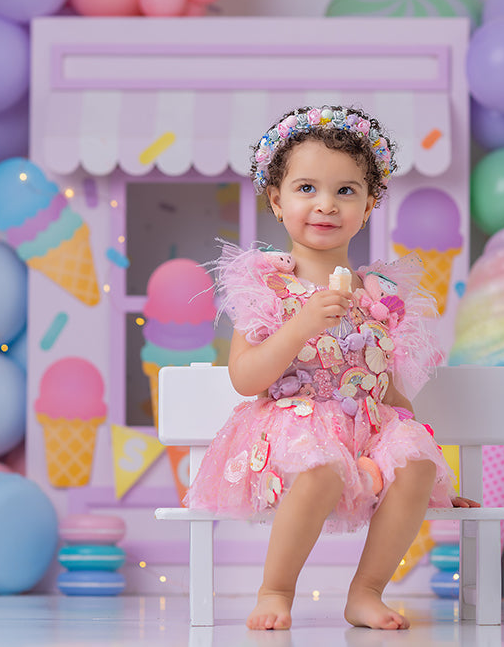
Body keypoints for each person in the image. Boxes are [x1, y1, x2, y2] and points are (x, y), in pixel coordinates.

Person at [186, 105, 478, 631]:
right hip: (290, 429)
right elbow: (246, 378)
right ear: (276, 200)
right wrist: (299, 326)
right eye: (306, 189)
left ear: (368, 207)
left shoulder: (377, 298)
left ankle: (365, 593)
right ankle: (275, 589)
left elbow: (381, 387)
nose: (325, 205)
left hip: (362, 427)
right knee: (320, 469)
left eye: (346, 191)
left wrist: (429, 477)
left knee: (413, 463)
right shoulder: (267, 286)